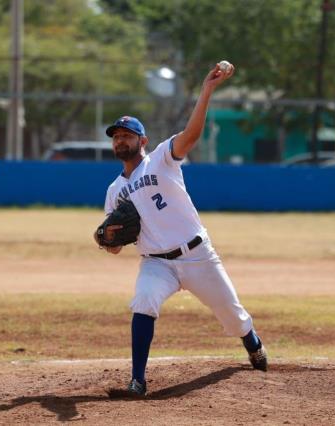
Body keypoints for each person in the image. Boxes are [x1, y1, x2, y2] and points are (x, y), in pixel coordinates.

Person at [94, 62, 268, 397]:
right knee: (144, 300)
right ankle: (138, 380)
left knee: (233, 318)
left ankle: (251, 340)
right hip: (156, 263)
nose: (120, 141)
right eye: (116, 137)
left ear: (141, 140)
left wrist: (207, 90)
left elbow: (191, 135)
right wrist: (106, 240)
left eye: (126, 135)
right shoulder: (114, 191)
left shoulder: (161, 158)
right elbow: (115, 246)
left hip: (197, 255)